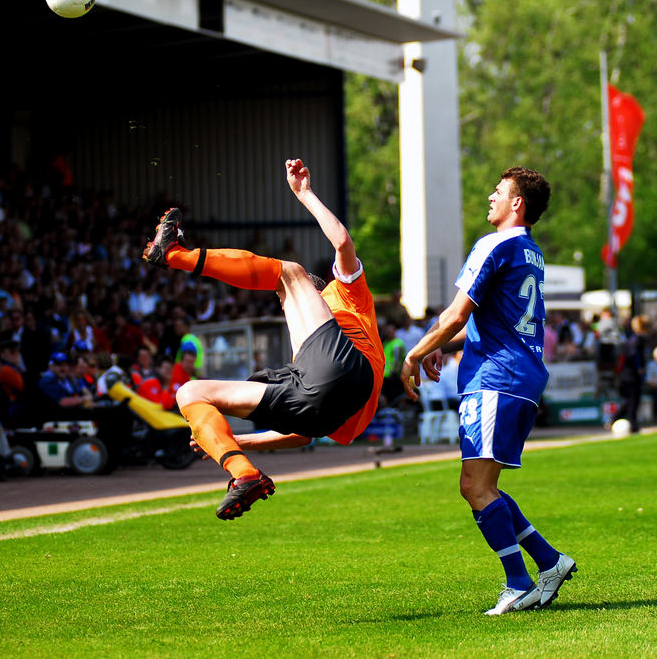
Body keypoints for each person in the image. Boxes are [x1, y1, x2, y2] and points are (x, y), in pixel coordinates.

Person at [142, 158, 384, 520]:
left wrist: (306, 194)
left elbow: (342, 241)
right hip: (326, 403)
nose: (286, 301)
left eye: (286, 299)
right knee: (189, 394)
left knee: (288, 271)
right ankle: (243, 473)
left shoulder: (345, 294)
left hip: (347, 374)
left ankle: (176, 255)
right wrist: (238, 441)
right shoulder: (314, 350)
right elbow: (305, 433)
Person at [400, 166, 576, 616]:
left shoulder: (494, 243)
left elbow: (457, 315)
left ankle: (517, 582)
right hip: (518, 374)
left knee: (475, 487)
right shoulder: (530, 251)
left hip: (497, 377)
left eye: (498, 191)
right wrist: (440, 343)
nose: (490, 196)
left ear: (517, 203)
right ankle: (550, 562)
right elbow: (486, 322)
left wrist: (416, 352)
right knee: (485, 485)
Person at [617, 314, 651, 433]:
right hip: (630, 376)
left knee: (632, 400)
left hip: (629, 375)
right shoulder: (636, 340)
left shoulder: (634, 339)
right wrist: (639, 368)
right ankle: (630, 423)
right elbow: (633, 356)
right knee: (631, 400)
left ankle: (628, 421)